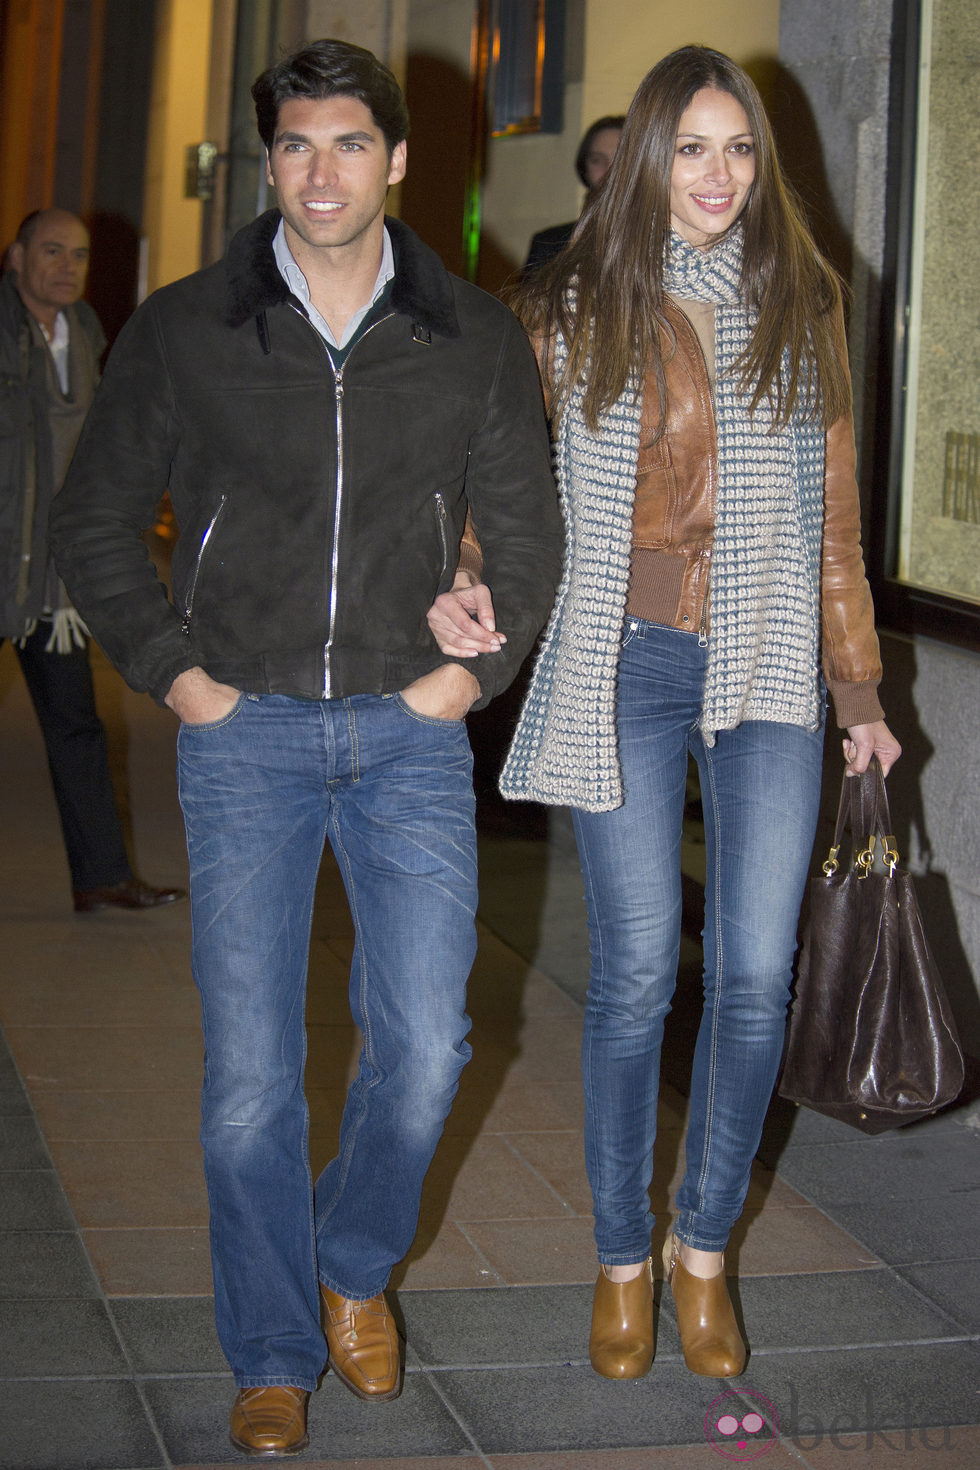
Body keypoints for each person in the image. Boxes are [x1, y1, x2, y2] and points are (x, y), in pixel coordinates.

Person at [50, 38, 561, 1458]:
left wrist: (470, 677)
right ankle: (274, 1348)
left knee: (429, 1049)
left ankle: (350, 1264)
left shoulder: (472, 335)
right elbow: (93, 521)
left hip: (408, 733)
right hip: (245, 734)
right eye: (294, 146)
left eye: (349, 144)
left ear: (400, 161)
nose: (320, 171)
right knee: (250, 1083)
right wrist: (180, 678)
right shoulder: (186, 330)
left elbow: (527, 538)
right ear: (268, 161)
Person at [428, 45, 901, 1384]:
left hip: (764, 667)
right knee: (636, 974)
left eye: (739, 147)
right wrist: (468, 578)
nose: (719, 175)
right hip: (623, 659)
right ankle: (621, 1257)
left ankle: (704, 1252)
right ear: (646, 158)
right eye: (691, 147)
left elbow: (832, 523)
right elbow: (498, 488)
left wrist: (856, 686)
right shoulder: (571, 303)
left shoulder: (804, 298)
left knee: (758, 973)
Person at [0, 209, 185, 913]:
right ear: (16, 257)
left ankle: (102, 876)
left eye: (77, 254)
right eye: (51, 251)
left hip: (52, 576)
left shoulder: (82, 333)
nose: (67, 266)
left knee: (77, 724)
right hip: (2, 558)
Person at [523, 115, 625, 273]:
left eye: (620, 160)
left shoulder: (664, 243)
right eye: (597, 160)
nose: (609, 171)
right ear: (584, 167)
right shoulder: (550, 244)